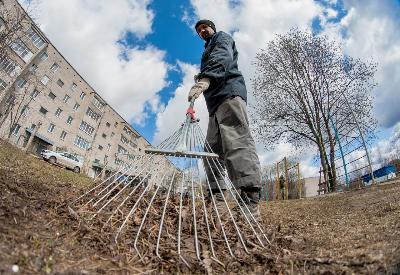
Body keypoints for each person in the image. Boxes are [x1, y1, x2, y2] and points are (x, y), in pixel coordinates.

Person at [188, 19, 262, 218]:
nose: (202, 30)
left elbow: (223, 56)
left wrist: (205, 78)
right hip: (214, 104)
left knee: (236, 141)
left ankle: (249, 200)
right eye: (199, 30)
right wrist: (203, 77)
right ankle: (217, 200)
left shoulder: (221, 38)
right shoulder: (206, 50)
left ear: (212, 27)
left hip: (229, 94)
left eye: (205, 27)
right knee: (211, 151)